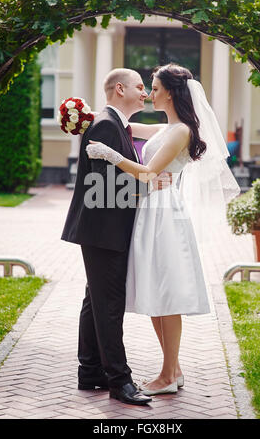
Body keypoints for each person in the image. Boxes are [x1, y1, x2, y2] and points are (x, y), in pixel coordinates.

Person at [87, 63, 240, 396]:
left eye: (154, 88)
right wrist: (89, 117)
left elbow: (146, 173)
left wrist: (108, 154)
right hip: (151, 212)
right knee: (157, 292)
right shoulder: (166, 128)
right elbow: (129, 127)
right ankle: (175, 370)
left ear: (170, 91)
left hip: (165, 216)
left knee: (167, 295)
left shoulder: (183, 130)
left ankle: (168, 375)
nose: (149, 93)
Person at [61, 68, 155, 405]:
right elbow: (107, 188)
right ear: (120, 89)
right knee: (109, 306)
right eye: (140, 87)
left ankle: (90, 372)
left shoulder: (116, 125)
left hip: (103, 230)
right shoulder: (105, 125)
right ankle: (119, 381)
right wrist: (150, 188)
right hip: (104, 231)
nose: (144, 93)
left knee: (95, 301)